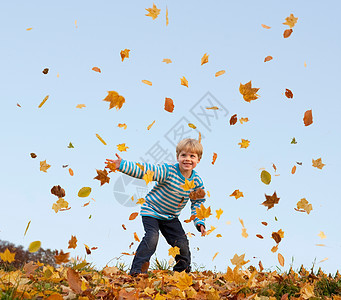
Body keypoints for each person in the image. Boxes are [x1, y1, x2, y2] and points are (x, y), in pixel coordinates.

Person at [105, 138, 207, 275]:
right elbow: (147, 171)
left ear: (198, 160)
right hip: (152, 210)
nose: (187, 159)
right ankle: (137, 271)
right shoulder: (168, 171)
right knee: (152, 237)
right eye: (184, 155)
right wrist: (123, 165)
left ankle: (182, 272)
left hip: (171, 217)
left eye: (192, 156)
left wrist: (199, 222)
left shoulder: (196, 182)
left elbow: (198, 203)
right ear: (178, 157)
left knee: (181, 243)